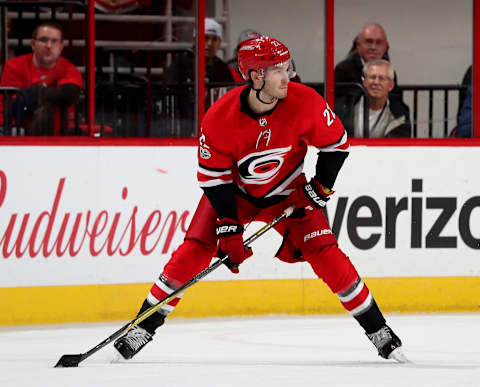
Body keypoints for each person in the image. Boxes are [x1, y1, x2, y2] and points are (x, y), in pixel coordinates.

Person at [113, 36, 406, 363]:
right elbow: (214, 179)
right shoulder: (219, 117)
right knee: (194, 252)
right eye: (278, 71)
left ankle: (378, 329)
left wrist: (319, 189)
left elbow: (336, 145)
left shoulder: (305, 101)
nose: (288, 77)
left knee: (325, 253)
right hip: (234, 196)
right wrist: (227, 224)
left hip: (288, 194)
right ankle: (142, 326)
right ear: (254, 76)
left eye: (288, 67)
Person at [0, 22, 83, 135]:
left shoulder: (70, 69)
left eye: (54, 41)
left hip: (60, 134)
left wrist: (34, 94)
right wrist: (50, 93)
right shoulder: (14, 65)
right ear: (33, 44)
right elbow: (13, 106)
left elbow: (69, 94)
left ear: (61, 47)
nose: (49, 45)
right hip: (17, 130)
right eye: (43, 40)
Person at [163, 18, 233, 136]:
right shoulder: (180, 63)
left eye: (214, 39)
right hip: (181, 124)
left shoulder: (222, 68)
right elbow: (169, 93)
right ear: (195, 40)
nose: (209, 43)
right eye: (205, 38)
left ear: (219, 43)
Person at [336, 59, 411, 138]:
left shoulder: (400, 114)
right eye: (372, 77)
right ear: (364, 81)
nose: (376, 82)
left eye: (382, 78)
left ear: (391, 85)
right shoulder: (344, 108)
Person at [335, 23, 400, 101]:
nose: (373, 47)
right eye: (369, 42)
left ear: (385, 46)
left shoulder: (389, 71)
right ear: (358, 45)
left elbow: (396, 103)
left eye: (378, 43)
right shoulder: (344, 69)